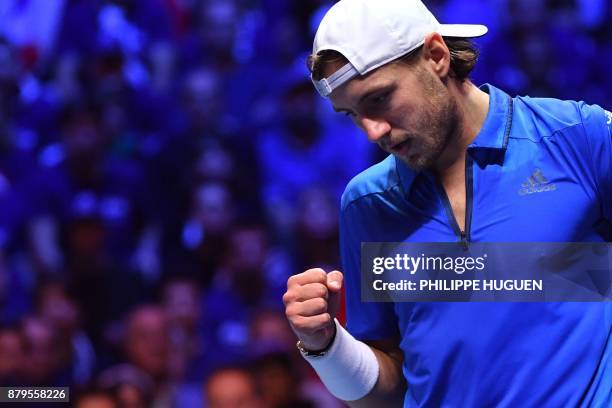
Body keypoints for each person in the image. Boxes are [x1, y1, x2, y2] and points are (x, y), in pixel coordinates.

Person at [282, 0, 611, 406]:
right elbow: (388, 393)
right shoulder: (366, 204)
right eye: (351, 114)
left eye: (379, 99)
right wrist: (327, 346)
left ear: (436, 56)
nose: (372, 131)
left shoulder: (578, 137)